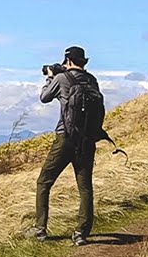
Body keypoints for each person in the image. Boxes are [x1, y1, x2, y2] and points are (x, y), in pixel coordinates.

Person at [25, 45, 99, 246]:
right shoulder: (92, 80)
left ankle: (40, 229)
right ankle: (81, 233)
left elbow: (44, 97)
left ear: (67, 61)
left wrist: (50, 76)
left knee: (44, 182)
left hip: (65, 138)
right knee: (85, 187)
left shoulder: (61, 78)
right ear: (84, 61)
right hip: (87, 140)